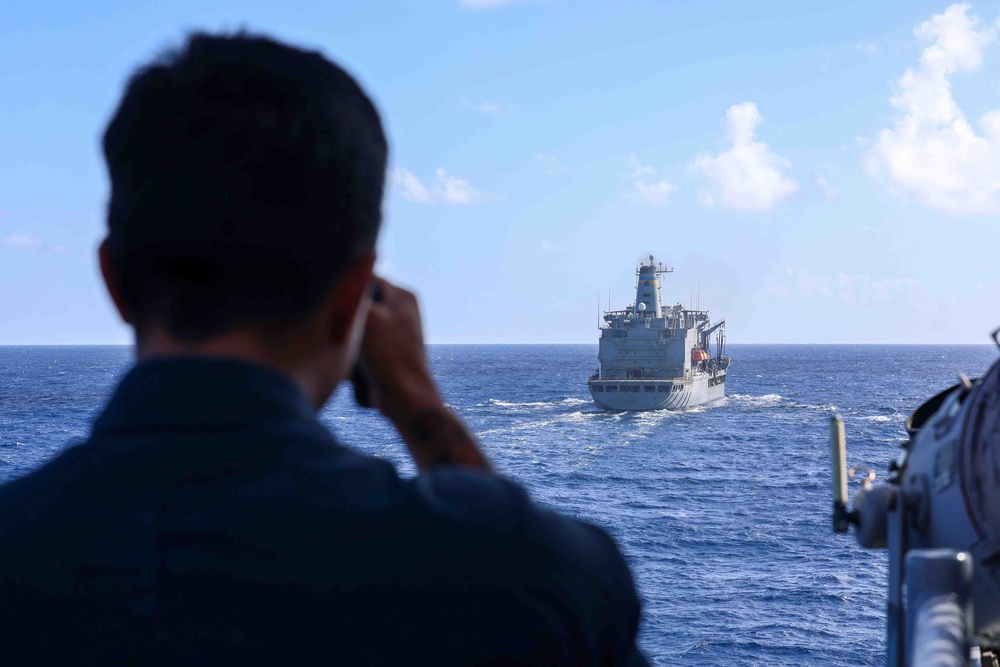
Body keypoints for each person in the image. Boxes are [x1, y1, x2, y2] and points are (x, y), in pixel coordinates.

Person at [0, 32, 647, 664]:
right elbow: (531, 586)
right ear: (353, 300)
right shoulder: (523, 577)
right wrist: (418, 403)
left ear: (113, 280)